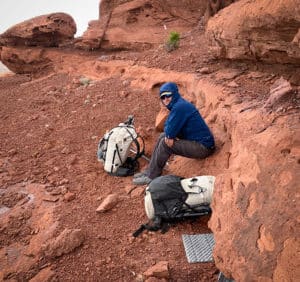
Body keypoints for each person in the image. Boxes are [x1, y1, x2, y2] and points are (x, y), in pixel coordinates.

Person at [133, 82, 215, 185]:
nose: (166, 99)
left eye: (168, 95)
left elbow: (169, 130)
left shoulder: (179, 107)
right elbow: (168, 128)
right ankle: (150, 170)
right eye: (163, 97)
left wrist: (170, 134)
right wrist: (169, 133)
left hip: (204, 147)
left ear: (175, 94)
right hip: (197, 142)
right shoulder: (178, 105)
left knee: (165, 144)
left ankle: (152, 176)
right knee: (162, 137)